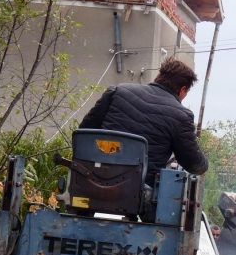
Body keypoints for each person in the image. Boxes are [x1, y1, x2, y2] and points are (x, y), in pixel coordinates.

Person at [80, 57, 208, 186]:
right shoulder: (181, 116)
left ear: (159, 76)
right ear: (182, 90)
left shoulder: (118, 91)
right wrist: (203, 167)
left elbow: (84, 132)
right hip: (139, 192)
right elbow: (193, 163)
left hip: (93, 180)